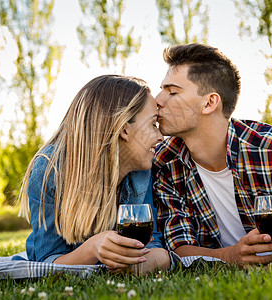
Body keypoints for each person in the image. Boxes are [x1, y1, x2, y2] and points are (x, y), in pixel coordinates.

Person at [152, 43, 272, 267]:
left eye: (172, 92)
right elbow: (179, 247)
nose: (157, 100)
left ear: (209, 103)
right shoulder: (163, 162)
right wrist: (230, 257)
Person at [19, 74, 170, 274]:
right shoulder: (48, 171)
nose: (161, 136)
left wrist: (131, 264)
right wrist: (93, 248)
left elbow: (155, 249)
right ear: (124, 129)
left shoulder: (140, 171)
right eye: (153, 124)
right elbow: (47, 263)